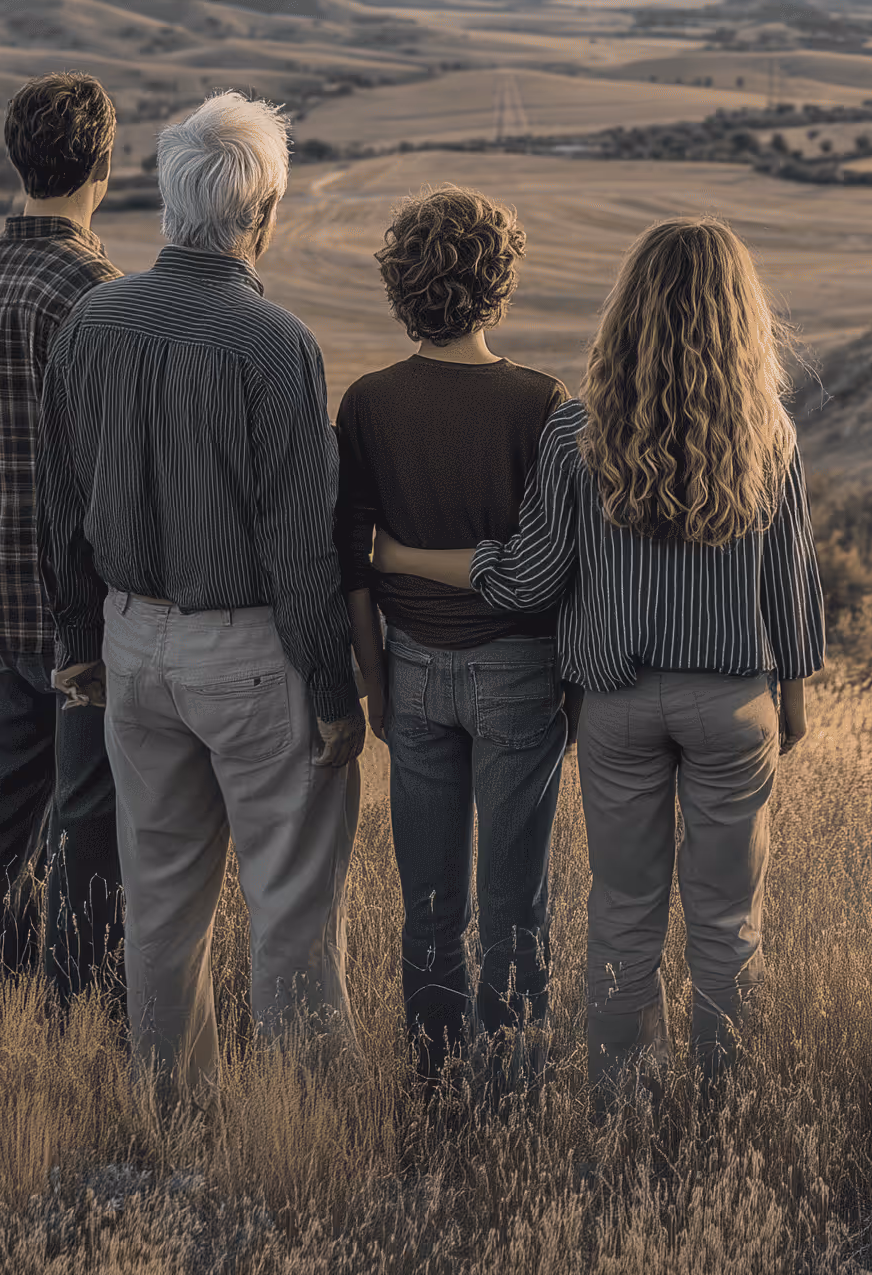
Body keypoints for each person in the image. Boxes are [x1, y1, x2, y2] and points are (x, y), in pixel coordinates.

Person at [375, 217, 826, 1107]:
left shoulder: (579, 432)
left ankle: (625, 1108)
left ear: (627, 313)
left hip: (616, 706)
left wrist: (402, 559)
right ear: (744, 316)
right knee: (729, 923)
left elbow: (529, 576)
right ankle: (724, 1111)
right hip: (736, 701)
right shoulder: (770, 430)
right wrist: (795, 692)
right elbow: (792, 573)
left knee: (623, 917)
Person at [37, 91, 365, 1100]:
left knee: (161, 902)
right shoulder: (274, 344)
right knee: (290, 905)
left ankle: (167, 1112)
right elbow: (299, 545)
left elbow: (63, 502)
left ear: (167, 203)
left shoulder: (90, 320)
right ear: (260, 213)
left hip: (132, 644)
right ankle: (303, 1121)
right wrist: (333, 688)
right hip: (253, 654)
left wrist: (77, 639)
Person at [337, 186, 570, 1095]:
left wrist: (374, 683)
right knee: (516, 909)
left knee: (430, 906)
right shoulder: (540, 403)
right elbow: (558, 566)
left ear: (401, 286)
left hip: (412, 671)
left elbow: (351, 560)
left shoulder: (369, 403)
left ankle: (435, 1095)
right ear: (500, 282)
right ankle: (512, 1100)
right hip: (520, 671)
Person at [0, 69, 124, 1009]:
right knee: (89, 814)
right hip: (81, 607)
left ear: (19, 159)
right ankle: (75, 1007)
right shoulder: (94, 293)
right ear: (104, 168)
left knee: (3, 805)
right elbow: (112, 478)